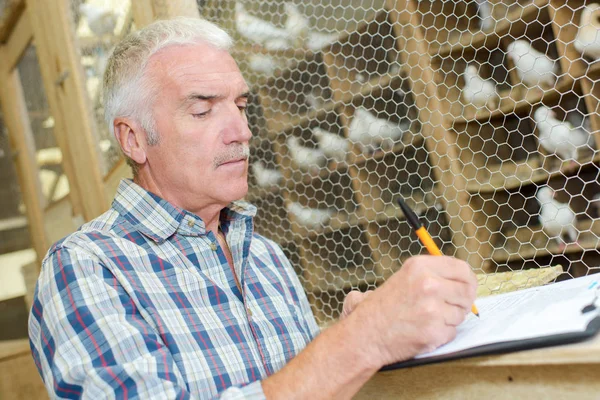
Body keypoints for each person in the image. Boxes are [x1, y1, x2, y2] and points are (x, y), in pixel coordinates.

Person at [29, 17, 477, 399]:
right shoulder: (86, 269)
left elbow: (283, 383)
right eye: (202, 111)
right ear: (133, 139)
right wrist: (362, 340)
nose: (241, 131)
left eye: (241, 106)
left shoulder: (264, 256)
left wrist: (346, 338)